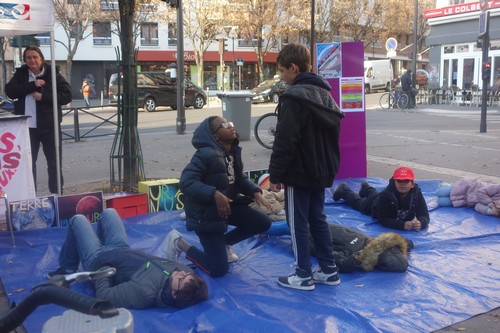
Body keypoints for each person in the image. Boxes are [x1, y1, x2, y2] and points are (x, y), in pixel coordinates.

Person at [268, 43, 344, 291]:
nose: (281, 76)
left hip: (300, 171)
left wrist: (276, 174)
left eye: (282, 71)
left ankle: (302, 273)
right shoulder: (325, 94)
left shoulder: (294, 97)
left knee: (296, 222)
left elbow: (285, 140)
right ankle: (328, 269)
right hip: (322, 169)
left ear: (293, 68)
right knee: (317, 217)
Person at [47, 208, 208, 309]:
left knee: (78, 220)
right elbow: (191, 281)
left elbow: (104, 296)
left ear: (174, 294)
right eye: (187, 275)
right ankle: (99, 240)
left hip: (98, 260)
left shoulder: (144, 293)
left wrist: (103, 269)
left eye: (182, 279)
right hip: (121, 248)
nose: (181, 273)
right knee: (110, 212)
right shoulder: (185, 274)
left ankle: (67, 268)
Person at [178, 116, 273, 277]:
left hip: (225, 209)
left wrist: (255, 191)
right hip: (206, 215)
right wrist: (214, 194)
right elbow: (186, 182)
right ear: (215, 136)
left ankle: (224, 243)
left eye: (231, 123)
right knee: (218, 270)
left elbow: (238, 178)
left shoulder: (232, 153)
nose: (231, 126)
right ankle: (179, 243)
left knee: (263, 223)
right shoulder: (205, 154)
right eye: (224, 125)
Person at [5, 46, 72, 194]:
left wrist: (44, 97)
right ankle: (31, 196)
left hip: (50, 126)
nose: (32, 60)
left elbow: (67, 96)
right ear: (24, 60)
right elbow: (9, 91)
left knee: (54, 163)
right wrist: (32, 85)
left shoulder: (52, 74)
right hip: (27, 127)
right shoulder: (21, 73)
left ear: (41, 58)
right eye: (28, 57)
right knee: (28, 164)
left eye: (35, 57)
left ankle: (57, 195)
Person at [333, 166, 430, 231]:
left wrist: (421, 223)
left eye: (406, 181)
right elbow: (383, 219)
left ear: (412, 184)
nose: (402, 184)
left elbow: (424, 213)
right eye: (399, 181)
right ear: (394, 181)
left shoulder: (417, 193)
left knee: (374, 194)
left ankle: (366, 187)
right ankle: (344, 190)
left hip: (377, 197)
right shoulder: (386, 195)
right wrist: (402, 225)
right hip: (373, 205)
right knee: (359, 204)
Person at [309, 224, 414, 273]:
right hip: (323, 227)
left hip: (316, 235)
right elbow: (407, 243)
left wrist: (356, 259)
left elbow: (340, 263)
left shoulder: (357, 254)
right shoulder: (389, 245)